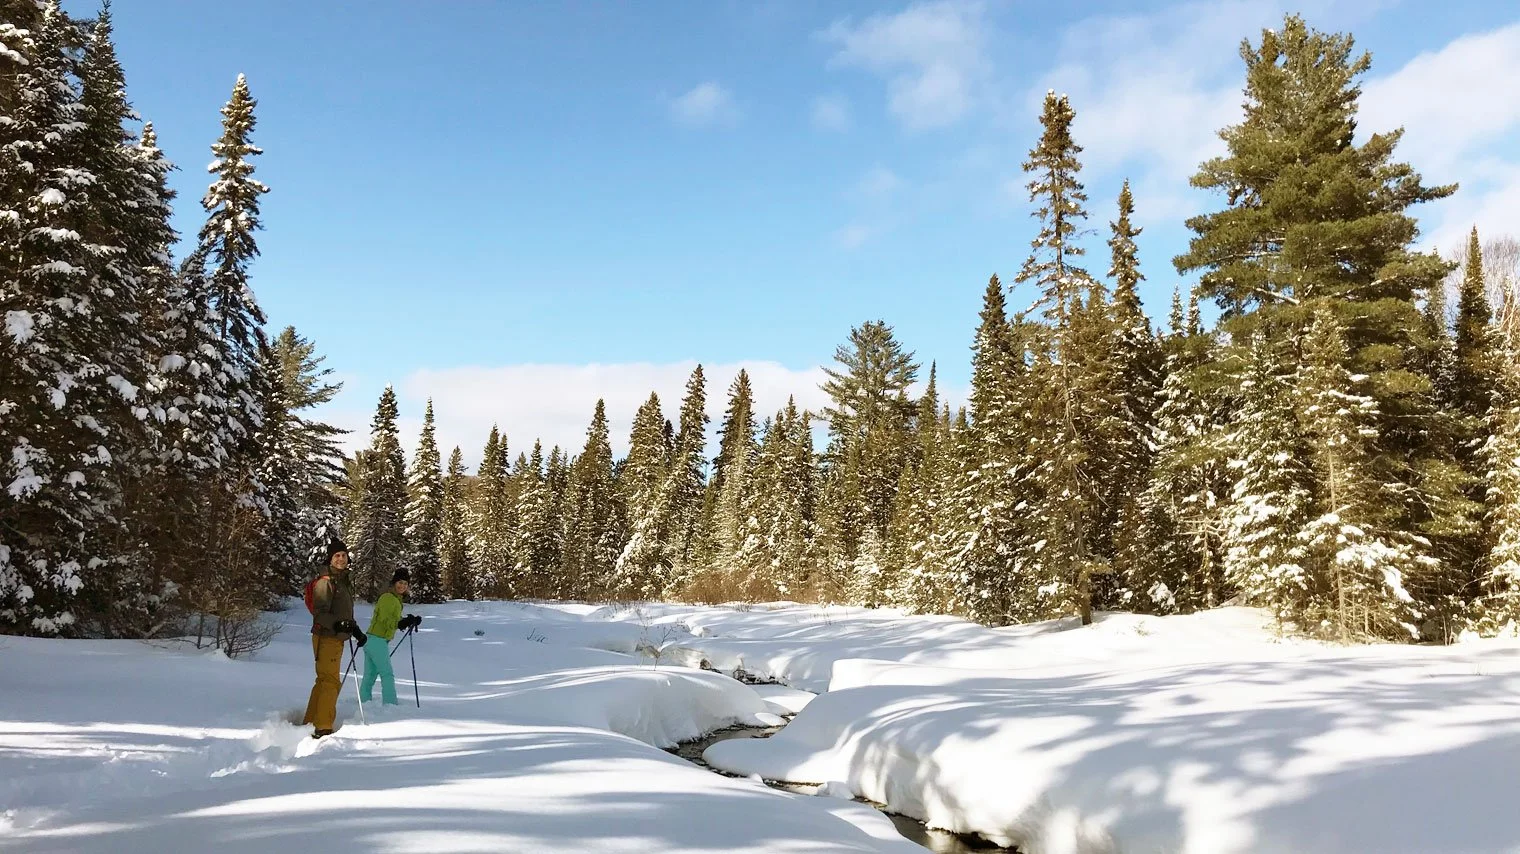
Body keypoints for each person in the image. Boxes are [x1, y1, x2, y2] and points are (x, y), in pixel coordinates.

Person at [303, 540, 366, 738]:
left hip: (335, 637)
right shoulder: (326, 581)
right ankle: (323, 726)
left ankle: (311, 720)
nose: (341, 559)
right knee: (330, 681)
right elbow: (320, 614)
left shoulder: (342, 581)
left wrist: (355, 631)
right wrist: (338, 625)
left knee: (323, 680)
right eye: (337, 555)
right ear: (330, 558)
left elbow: (344, 614)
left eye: (344, 555)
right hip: (326, 637)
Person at [362, 569, 422, 705]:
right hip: (377, 640)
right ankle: (390, 705)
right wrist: (402, 623)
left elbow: (392, 619)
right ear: (394, 583)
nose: (402, 586)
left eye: (405, 583)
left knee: (370, 676)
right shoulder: (388, 598)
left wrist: (408, 620)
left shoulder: (395, 599)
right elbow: (386, 620)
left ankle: (364, 702)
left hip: (372, 639)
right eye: (400, 582)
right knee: (387, 674)